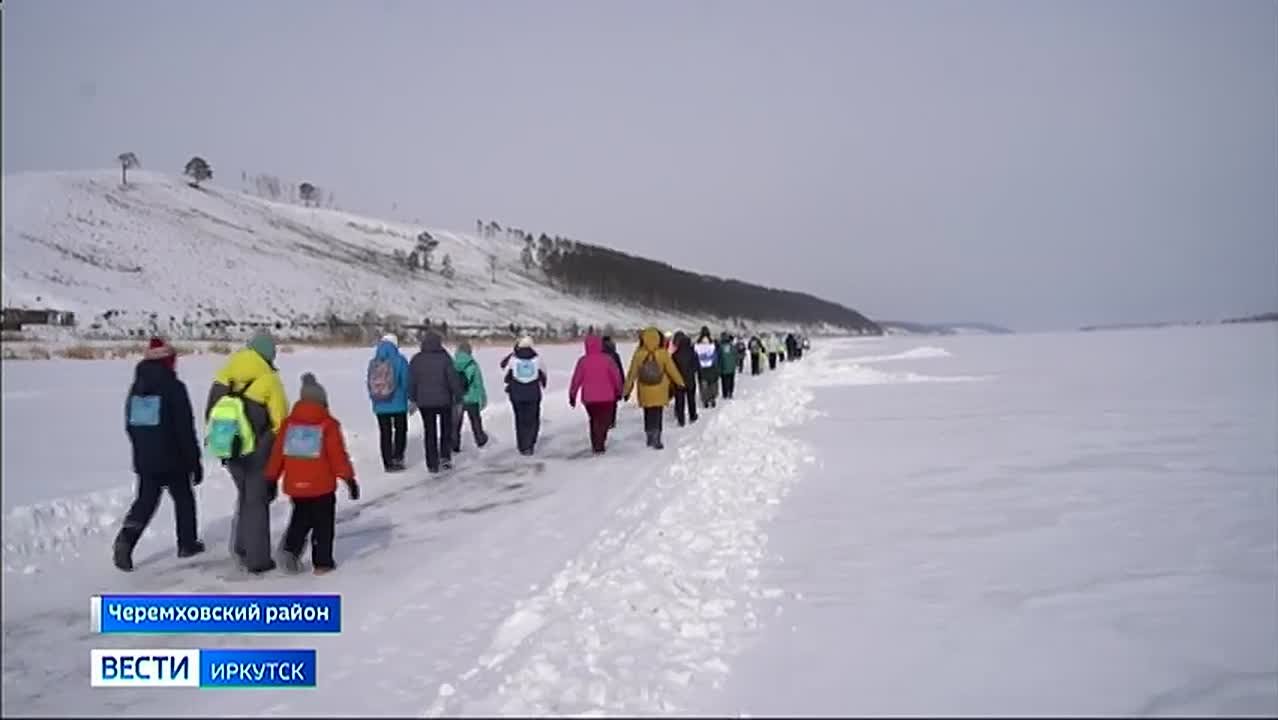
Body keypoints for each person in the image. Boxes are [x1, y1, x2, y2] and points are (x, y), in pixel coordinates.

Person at [114, 338, 204, 571]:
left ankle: (126, 539)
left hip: (146, 458)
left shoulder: (137, 388)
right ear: (168, 361)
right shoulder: (174, 387)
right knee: (184, 499)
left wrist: (143, 448)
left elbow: (131, 424)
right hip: (174, 458)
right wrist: (194, 460)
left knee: (145, 502)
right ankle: (187, 543)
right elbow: (184, 427)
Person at [206, 331, 288, 574]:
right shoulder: (269, 380)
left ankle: (242, 547)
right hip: (257, 449)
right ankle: (257, 559)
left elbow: (211, 413)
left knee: (245, 496)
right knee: (257, 501)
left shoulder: (224, 373)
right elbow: (281, 421)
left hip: (228, 446)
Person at [265, 373, 360, 575]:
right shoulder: (328, 424)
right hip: (321, 486)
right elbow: (337, 456)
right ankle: (322, 563)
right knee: (323, 525)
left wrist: (271, 478)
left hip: (296, 486)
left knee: (300, 519)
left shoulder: (289, 425)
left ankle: (291, 550)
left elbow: (277, 454)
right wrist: (349, 479)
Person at [407, 330, 463, 473]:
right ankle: (445, 457)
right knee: (445, 429)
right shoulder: (445, 358)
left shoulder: (417, 359)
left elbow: (412, 381)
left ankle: (432, 463)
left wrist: (412, 398)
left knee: (429, 431)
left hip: (424, 402)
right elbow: (453, 379)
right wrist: (458, 396)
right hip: (444, 400)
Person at [622, 326, 685, 449]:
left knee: (648, 413)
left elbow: (631, 374)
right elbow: (672, 370)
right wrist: (680, 383)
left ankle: (649, 436)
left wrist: (627, 390)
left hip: (645, 390)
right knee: (657, 413)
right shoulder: (663, 354)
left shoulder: (639, 354)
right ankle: (657, 438)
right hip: (660, 390)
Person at [568, 335, 624, 453]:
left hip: (589, 399)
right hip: (607, 398)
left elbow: (576, 380)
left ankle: (596, 443)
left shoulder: (583, 361)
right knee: (604, 421)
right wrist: (619, 391)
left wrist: (572, 395)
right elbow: (616, 377)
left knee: (594, 420)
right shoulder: (608, 360)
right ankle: (600, 442)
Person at [367, 333, 410, 473]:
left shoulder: (373, 362)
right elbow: (406, 382)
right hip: (398, 403)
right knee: (400, 430)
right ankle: (398, 458)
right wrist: (409, 397)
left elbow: (369, 383)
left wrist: (374, 398)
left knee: (385, 433)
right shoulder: (400, 360)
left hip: (380, 403)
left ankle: (387, 462)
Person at [504, 335, 548, 455]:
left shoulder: (513, 359)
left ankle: (522, 445)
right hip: (533, 394)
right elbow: (543, 376)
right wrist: (542, 384)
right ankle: (530, 444)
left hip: (517, 394)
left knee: (520, 420)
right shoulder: (537, 359)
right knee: (533, 420)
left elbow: (506, 376)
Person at [451, 341, 490, 453]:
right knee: (475, 421)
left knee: (455, 424)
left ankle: (454, 445)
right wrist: (483, 398)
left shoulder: (452, 364)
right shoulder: (473, 364)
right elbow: (478, 383)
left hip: (457, 398)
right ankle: (480, 439)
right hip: (472, 398)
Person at [670, 331, 700, 426]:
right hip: (690, 380)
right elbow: (697, 366)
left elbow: (672, 369)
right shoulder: (693, 353)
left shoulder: (675, 355)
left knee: (680, 401)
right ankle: (693, 416)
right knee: (691, 399)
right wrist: (691, 372)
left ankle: (681, 419)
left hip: (679, 381)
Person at [692, 327, 721, 409]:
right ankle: (712, 398)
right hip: (711, 367)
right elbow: (715, 356)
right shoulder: (712, 344)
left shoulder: (697, 344)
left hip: (701, 369)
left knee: (703, 384)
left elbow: (695, 356)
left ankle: (705, 400)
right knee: (712, 383)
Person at [601, 336, 625, 429]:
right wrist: (623, 384)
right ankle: (611, 420)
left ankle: (604, 420)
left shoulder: (600, 355)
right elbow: (619, 370)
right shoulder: (615, 355)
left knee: (603, 403)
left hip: (603, 383)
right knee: (613, 403)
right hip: (614, 383)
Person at [718, 332, 739, 400]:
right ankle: (730, 392)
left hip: (723, 367)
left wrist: (719, 367)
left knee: (724, 381)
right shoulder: (732, 346)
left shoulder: (720, 347)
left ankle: (725, 393)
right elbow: (736, 355)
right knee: (731, 380)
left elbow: (719, 358)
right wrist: (736, 363)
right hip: (732, 367)